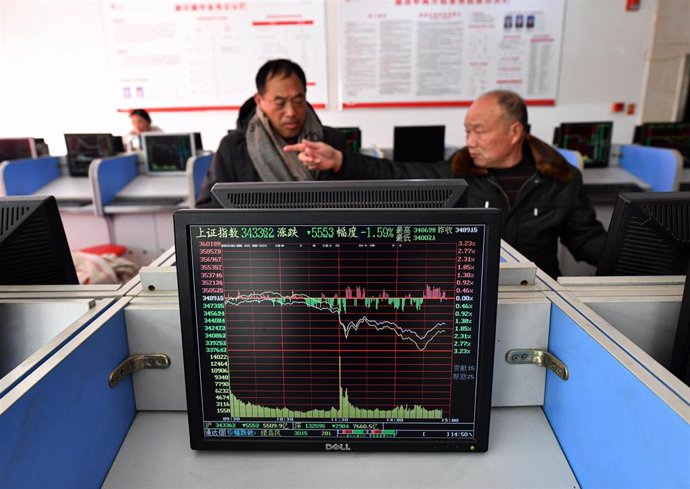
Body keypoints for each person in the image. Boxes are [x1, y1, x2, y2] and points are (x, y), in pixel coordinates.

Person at [284, 90, 607, 278]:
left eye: (479, 130)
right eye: (467, 131)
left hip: (538, 290)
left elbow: (586, 241)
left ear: (514, 133)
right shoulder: (459, 173)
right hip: (476, 290)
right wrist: (341, 161)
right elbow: (396, 173)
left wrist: (639, 256)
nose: (470, 142)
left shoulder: (561, 179)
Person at [197, 59, 368, 207]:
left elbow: (358, 201)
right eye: (280, 103)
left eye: (298, 100)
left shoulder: (331, 141)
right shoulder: (234, 148)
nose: (291, 112)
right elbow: (208, 210)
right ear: (259, 101)